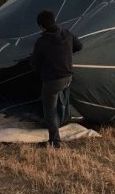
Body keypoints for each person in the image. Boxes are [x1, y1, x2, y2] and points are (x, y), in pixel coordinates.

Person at [30, 9, 83, 148]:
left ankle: (55, 142)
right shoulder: (66, 33)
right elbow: (79, 46)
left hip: (53, 81)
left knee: (50, 110)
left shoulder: (42, 41)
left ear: (41, 26)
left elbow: (34, 64)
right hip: (68, 77)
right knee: (62, 100)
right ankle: (64, 119)